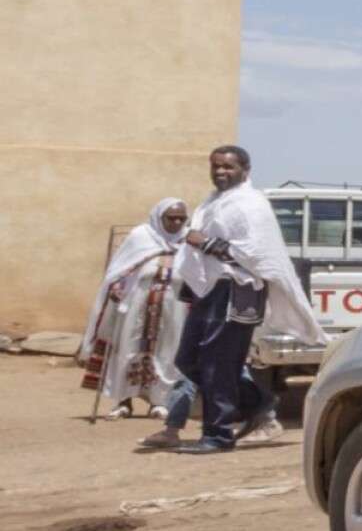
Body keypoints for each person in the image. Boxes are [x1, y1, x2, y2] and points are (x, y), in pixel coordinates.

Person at [168, 145, 325, 454]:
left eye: (227, 166)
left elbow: (255, 254)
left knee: (217, 364)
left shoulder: (251, 205)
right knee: (188, 360)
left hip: (235, 290)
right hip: (208, 291)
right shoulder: (215, 201)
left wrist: (206, 243)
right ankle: (258, 406)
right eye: (215, 166)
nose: (220, 172)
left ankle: (218, 434)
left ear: (245, 169)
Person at [80, 197, 190, 419]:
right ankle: (123, 402)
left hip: (173, 303)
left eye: (181, 219)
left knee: (167, 351)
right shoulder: (142, 236)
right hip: (137, 300)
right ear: (160, 217)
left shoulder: (188, 240)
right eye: (171, 218)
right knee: (128, 349)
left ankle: (159, 402)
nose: (176, 223)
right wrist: (117, 287)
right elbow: (120, 269)